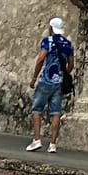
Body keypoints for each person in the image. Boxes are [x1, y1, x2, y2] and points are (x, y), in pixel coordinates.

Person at [26, 16, 74, 153]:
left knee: (37, 109)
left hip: (46, 81)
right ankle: (53, 144)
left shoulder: (48, 41)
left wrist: (34, 78)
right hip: (59, 83)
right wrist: (63, 74)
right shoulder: (67, 44)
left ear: (51, 28)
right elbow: (71, 64)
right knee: (56, 113)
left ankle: (37, 140)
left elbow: (41, 59)